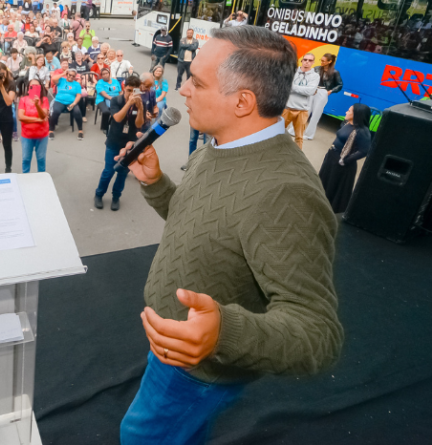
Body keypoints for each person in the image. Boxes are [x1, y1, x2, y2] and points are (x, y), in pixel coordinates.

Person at [118, 26, 342, 444]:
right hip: (174, 347)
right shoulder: (216, 146)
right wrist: (156, 184)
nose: (182, 89)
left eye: (197, 81)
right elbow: (204, 224)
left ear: (242, 101)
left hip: (197, 372)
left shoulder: (286, 193)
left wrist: (224, 333)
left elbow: (319, 334)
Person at [94, 75, 146, 211]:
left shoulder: (140, 102)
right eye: (129, 90)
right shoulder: (116, 100)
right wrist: (129, 103)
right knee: (109, 171)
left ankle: (116, 197)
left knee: (123, 173)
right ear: (124, 88)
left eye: (134, 91)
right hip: (114, 141)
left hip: (130, 143)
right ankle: (99, 194)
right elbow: (117, 118)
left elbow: (139, 124)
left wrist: (140, 109)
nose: (131, 94)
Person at [318, 104, 372, 213]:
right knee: (325, 181)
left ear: (356, 114)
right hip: (331, 157)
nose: (346, 112)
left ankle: (328, 209)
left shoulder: (362, 131)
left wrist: (345, 160)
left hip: (342, 164)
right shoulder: (347, 123)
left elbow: (364, 151)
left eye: (349, 111)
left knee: (334, 186)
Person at [282, 53, 320, 149]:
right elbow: (284, 86)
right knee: (276, 133)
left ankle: (296, 158)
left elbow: (310, 91)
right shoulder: (292, 72)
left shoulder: (315, 76)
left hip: (302, 110)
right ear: (302, 61)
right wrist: (303, 89)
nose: (307, 62)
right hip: (287, 108)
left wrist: (292, 87)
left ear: (313, 62)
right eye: (305, 59)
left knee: (299, 137)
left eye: (310, 60)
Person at [305, 53, 342, 140]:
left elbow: (340, 85)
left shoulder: (334, 72)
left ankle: (308, 135)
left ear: (329, 61)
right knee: (304, 111)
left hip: (322, 92)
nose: (321, 62)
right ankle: (295, 130)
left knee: (316, 115)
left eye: (323, 61)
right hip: (312, 90)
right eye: (321, 60)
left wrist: (330, 91)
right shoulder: (317, 68)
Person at [18, 79, 49, 173]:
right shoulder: (23, 100)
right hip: (27, 135)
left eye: (37, 86)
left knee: (41, 159)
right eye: (32, 86)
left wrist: (37, 105)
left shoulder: (44, 100)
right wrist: (37, 120)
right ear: (28, 89)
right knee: (26, 159)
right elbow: (21, 117)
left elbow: (43, 115)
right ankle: (25, 177)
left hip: (42, 135)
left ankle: (42, 178)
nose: (34, 88)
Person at [48, 68, 83, 140]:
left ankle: (80, 130)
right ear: (67, 74)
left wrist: (73, 104)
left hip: (71, 103)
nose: (71, 77)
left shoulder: (76, 84)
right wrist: (63, 74)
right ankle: (51, 130)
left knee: (77, 112)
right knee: (56, 111)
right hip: (59, 101)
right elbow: (53, 78)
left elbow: (78, 95)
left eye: (73, 76)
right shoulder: (61, 80)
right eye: (70, 75)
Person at [95, 67, 122, 132]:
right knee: (106, 111)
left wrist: (121, 98)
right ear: (101, 76)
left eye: (106, 73)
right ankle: (104, 127)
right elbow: (103, 93)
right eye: (103, 74)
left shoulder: (115, 81)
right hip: (102, 99)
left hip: (116, 98)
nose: (105, 75)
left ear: (109, 74)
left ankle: (117, 125)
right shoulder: (100, 82)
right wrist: (112, 99)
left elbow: (120, 91)